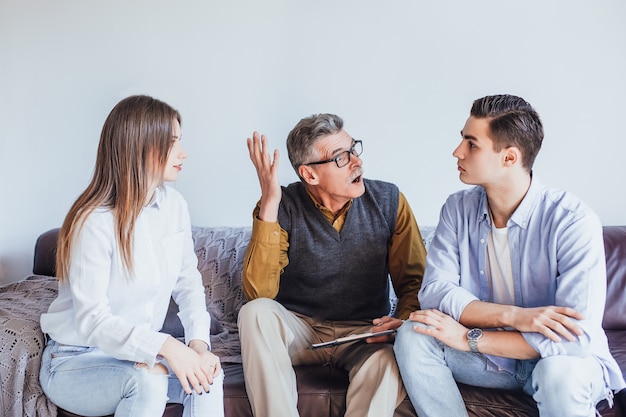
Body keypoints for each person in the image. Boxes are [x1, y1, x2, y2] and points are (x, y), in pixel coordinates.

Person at [394, 94, 626, 417]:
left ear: (509, 157)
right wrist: (514, 316)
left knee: (558, 374)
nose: (457, 151)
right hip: (491, 363)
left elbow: (573, 340)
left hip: (555, 361)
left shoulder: (573, 221)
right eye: (462, 139)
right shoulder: (456, 209)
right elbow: (434, 292)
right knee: (412, 335)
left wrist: (471, 338)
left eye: (471, 144)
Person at [39, 95, 224, 417]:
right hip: (75, 360)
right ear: (140, 147)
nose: (183, 153)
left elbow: (188, 281)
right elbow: (92, 319)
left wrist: (197, 345)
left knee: (207, 376)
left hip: (135, 355)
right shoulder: (93, 221)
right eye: (172, 143)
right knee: (146, 381)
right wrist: (165, 346)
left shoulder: (174, 205)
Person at [237, 113, 427, 417]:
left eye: (354, 150)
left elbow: (414, 282)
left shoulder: (390, 201)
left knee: (392, 359)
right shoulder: (280, 207)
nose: (356, 163)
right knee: (255, 312)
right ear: (310, 175)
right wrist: (270, 203)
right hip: (301, 330)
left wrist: (401, 323)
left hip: (364, 334)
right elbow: (259, 292)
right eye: (341, 158)